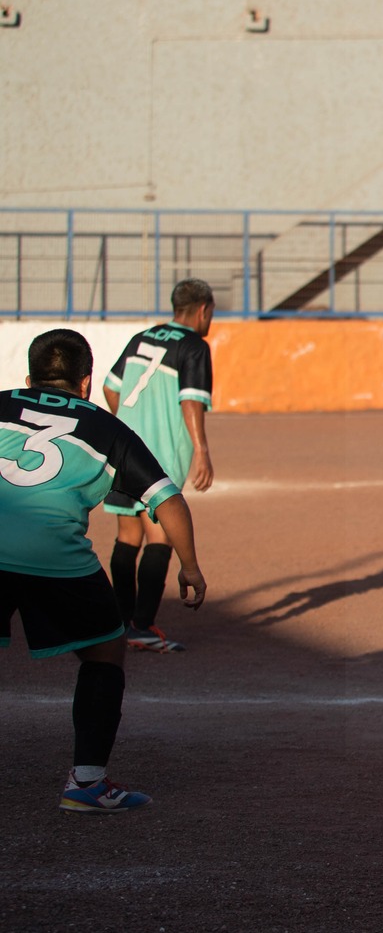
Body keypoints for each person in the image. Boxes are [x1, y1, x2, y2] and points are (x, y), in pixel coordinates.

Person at [4, 329, 208, 812]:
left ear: (28, 378)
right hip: (54, 557)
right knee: (105, 651)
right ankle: (87, 784)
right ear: (87, 383)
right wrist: (191, 567)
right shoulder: (106, 427)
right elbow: (169, 500)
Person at [102, 279, 216, 653]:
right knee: (160, 536)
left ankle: (120, 622)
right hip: (161, 455)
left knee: (127, 536)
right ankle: (143, 626)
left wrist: (129, 426)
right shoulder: (194, 346)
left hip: (124, 449)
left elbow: (110, 387)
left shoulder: (141, 338)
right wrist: (201, 450)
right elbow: (191, 402)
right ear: (203, 310)